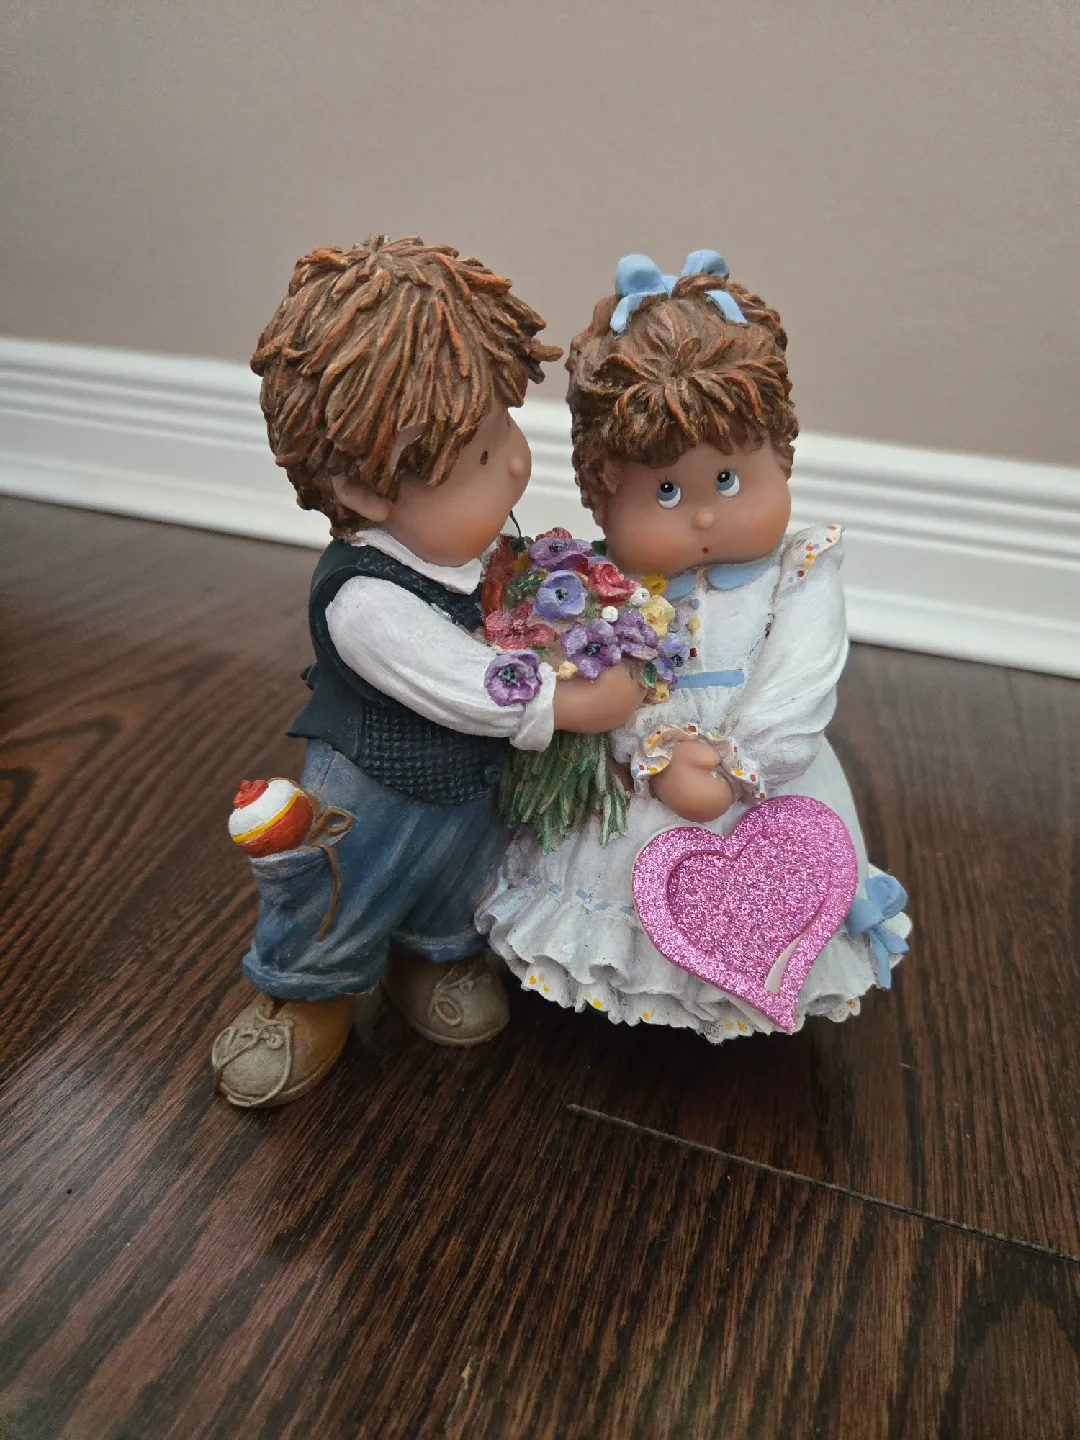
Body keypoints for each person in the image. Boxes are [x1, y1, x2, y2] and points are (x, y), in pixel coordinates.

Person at [211, 236, 643, 1108]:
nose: (514, 461)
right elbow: (466, 682)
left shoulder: (474, 543)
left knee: (458, 879)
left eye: (505, 427)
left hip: (469, 793)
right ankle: (307, 994)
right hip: (378, 794)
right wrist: (571, 702)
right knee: (342, 891)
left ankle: (434, 956)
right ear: (367, 495)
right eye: (480, 458)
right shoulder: (366, 601)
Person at [479, 250, 910, 1042]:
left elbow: (801, 680)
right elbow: (606, 686)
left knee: (768, 872)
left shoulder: (800, 574)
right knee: (623, 859)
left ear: (781, 456)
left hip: (763, 780)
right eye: (666, 491)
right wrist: (652, 752)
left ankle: (755, 984)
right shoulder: (603, 590)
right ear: (602, 498)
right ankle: (627, 982)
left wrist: (741, 763)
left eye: (730, 480)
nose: (704, 515)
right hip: (650, 771)